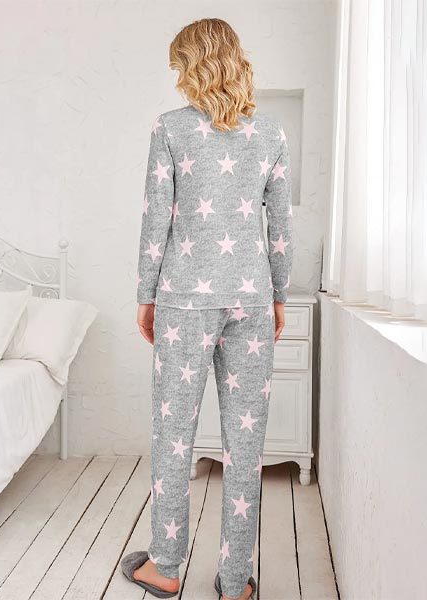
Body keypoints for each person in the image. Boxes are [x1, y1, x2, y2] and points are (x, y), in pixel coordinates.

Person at [121, 17, 293, 600]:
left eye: (179, 66)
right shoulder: (271, 134)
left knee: (174, 437)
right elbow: (280, 230)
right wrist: (277, 295)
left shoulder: (170, 129)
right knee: (246, 446)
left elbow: (156, 221)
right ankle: (236, 581)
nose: (176, 78)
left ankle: (166, 566)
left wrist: (146, 296)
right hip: (251, 301)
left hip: (183, 301)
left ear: (192, 66)